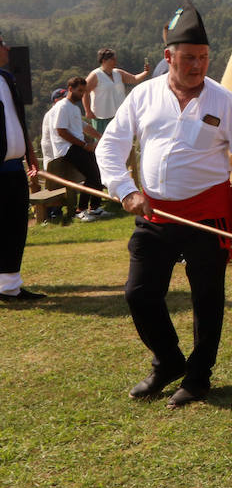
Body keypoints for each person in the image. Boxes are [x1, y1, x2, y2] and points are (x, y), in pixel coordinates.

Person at [95, 3, 232, 407]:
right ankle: (169, 361)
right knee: (139, 294)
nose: (197, 66)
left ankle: (198, 376)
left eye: (204, 58)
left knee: (206, 298)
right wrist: (126, 190)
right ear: (168, 57)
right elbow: (111, 147)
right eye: (189, 58)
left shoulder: (224, 101)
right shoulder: (143, 95)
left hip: (208, 214)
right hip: (154, 212)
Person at [0, 30, 43, 301]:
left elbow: (18, 119)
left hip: (14, 168)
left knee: (15, 226)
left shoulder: (7, 79)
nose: (6, 48)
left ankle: (9, 286)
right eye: (2, 43)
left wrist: (29, 153)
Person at [43, 77, 108, 222]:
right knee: (92, 175)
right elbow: (61, 131)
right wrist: (85, 145)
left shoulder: (74, 107)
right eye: (80, 91)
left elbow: (83, 128)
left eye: (84, 91)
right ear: (70, 89)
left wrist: (99, 137)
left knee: (98, 174)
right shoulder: (62, 106)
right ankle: (81, 210)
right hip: (68, 149)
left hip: (78, 146)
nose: (82, 94)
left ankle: (95, 208)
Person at [84, 47, 150, 133]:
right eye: (112, 59)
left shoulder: (118, 73)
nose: (115, 61)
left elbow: (134, 79)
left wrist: (145, 72)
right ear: (104, 60)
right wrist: (88, 111)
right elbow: (85, 92)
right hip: (101, 117)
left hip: (119, 115)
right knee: (102, 141)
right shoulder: (95, 75)